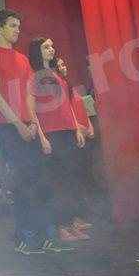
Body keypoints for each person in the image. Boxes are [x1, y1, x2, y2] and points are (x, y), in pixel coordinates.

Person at [0, 10, 68, 255]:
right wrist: (18, 125)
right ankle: (24, 236)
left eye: (18, 26)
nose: (17, 30)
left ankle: (44, 235)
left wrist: (33, 125)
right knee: (22, 180)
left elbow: (30, 96)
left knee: (38, 180)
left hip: (27, 125)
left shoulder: (22, 59)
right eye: (12, 25)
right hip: (6, 126)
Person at [27, 38, 86, 247]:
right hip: (52, 133)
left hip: (68, 131)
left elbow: (67, 104)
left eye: (52, 46)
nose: (51, 49)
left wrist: (77, 128)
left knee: (69, 180)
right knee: (57, 182)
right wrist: (42, 137)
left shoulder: (57, 75)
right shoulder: (33, 76)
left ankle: (69, 223)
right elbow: (31, 108)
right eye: (46, 47)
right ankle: (59, 226)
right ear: (37, 51)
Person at [55, 57, 94, 230]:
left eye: (64, 64)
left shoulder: (69, 85)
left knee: (81, 177)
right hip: (73, 134)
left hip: (83, 133)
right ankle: (72, 217)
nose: (64, 67)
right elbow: (67, 111)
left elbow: (82, 108)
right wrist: (78, 128)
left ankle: (78, 215)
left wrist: (89, 125)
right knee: (72, 179)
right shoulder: (58, 87)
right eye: (60, 65)